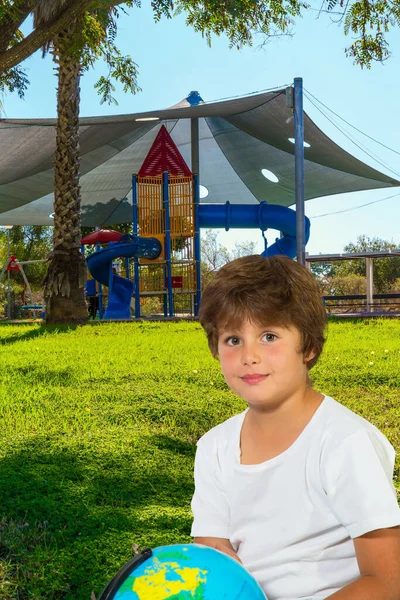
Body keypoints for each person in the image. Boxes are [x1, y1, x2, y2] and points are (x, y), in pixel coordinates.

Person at [191, 254, 400, 600]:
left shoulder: (345, 443)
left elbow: (387, 581)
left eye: (269, 336)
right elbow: (213, 553)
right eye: (233, 340)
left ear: (309, 347)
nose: (249, 356)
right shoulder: (214, 447)